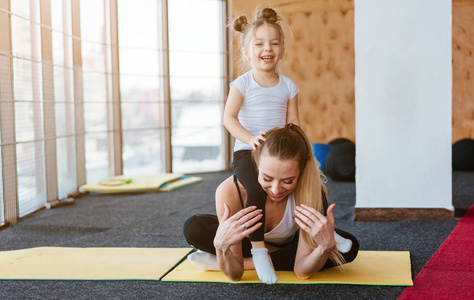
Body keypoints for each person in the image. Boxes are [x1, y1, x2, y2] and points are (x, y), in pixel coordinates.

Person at [183, 124, 359, 284]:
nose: (275, 189)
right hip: (251, 246)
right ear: (256, 164)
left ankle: (241, 263)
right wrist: (221, 246)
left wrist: (324, 247)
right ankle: (268, 260)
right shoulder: (230, 191)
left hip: (291, 244)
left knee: (349, 247)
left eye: (288, 181)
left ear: (301, 172)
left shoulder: (313, 191)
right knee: (195, 227)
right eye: (267, 178)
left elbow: (302, 271)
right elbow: (234, 275)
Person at [223, 7, 300, 283]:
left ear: (281, 49)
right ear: (247, 52)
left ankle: (323, 233)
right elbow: (228, 118)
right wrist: (250, 138)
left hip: (277, 153)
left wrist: (300, 151)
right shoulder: (243, 83)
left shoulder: (288, 86)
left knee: (311, 179)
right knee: (255, 188)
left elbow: (294, 124)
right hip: (248, 152)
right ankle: (258, 251)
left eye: (274, 43)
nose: (267, 48)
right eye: (259, 44)